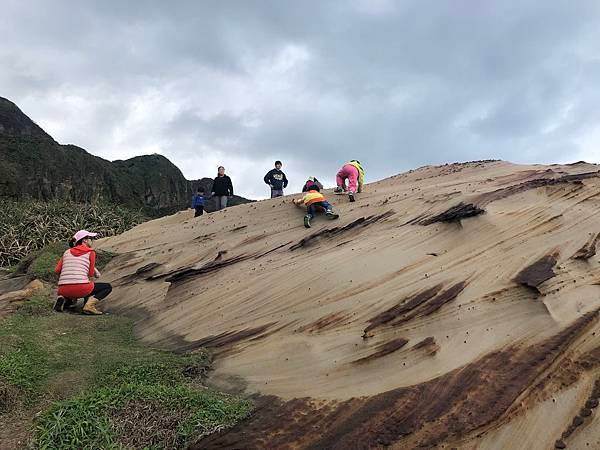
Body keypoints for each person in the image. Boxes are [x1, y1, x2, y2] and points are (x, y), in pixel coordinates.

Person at [53, 230, 112, 315]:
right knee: (107, 287)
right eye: (91, 238)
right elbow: (90, 274)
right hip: (81, 288)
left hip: (62, 289)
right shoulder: (90, 252)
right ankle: (89, 306)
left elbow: (57, 270)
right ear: (85, 240)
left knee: (80, 287)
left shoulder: (67, 252)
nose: (92, 240)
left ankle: (64, 299)